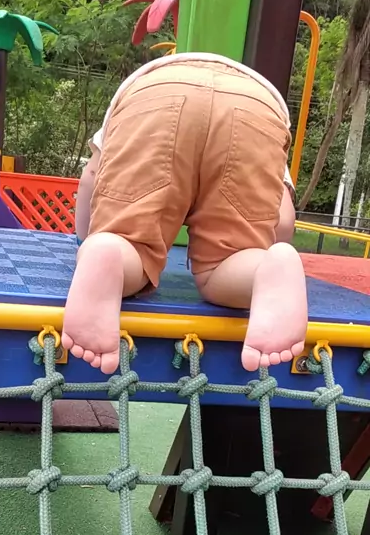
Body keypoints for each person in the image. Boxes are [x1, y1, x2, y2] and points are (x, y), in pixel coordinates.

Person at [62, 53, 307, 375]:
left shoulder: (146, 83)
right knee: (227, 264)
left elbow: (91, 177)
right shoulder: (257, 97)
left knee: (126, 242)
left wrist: (89, 239)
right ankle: (267, 269)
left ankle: (108, 250)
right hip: (257, 106)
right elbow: (284, 217)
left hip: (153, 95)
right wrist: (262, 248)